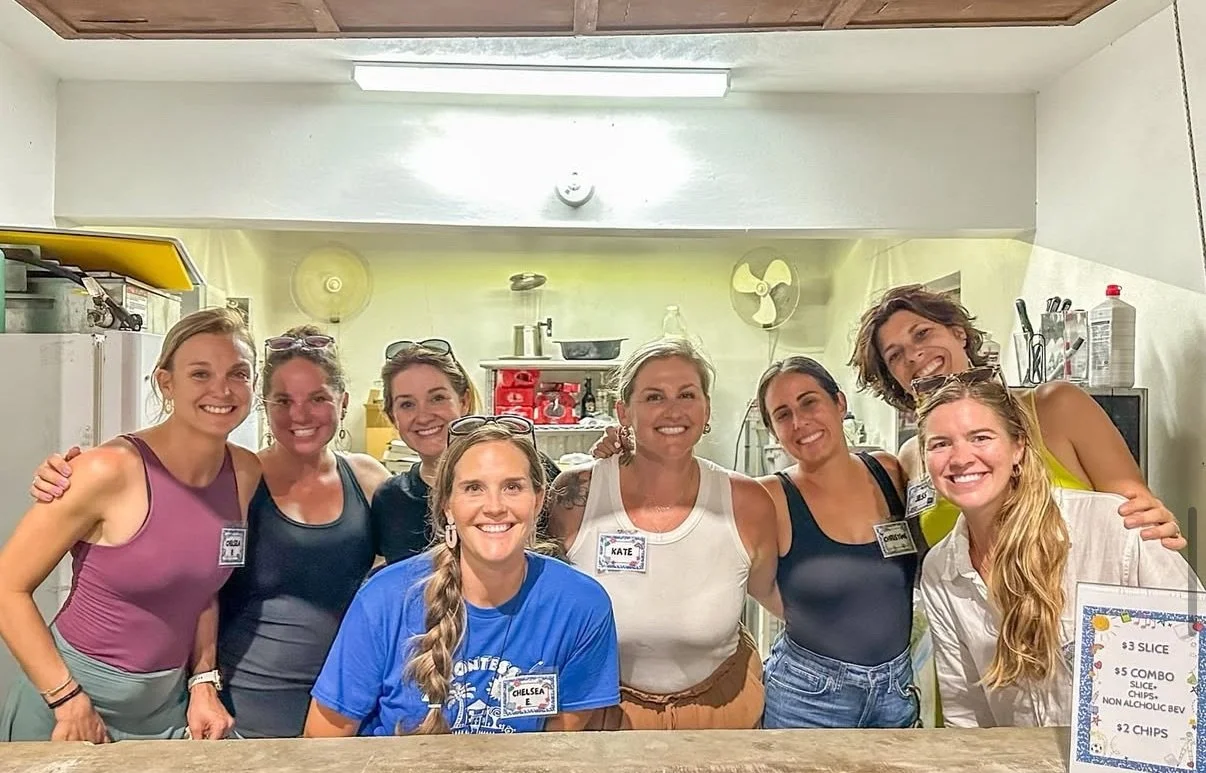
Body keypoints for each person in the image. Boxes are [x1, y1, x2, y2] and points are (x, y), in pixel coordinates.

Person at [28, 326, 391, 739]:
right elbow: (201, 583)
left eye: (319, 398)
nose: (300, 415)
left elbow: (408, 577)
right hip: (232, 701)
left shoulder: (359, 479)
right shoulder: (240, 476)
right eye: (283, 400)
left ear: (343, 402)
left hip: (333, 702)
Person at [0, 308, 262, 742]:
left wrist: (202, 683)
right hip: (72, 702)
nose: (222, 389)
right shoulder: (107, 471)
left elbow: (202, 588)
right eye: (200, 373)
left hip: (165, 705)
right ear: (166, 382)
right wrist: (67, 701)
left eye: (239, 373)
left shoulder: (245, 474)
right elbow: (7, 588)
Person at [914, 371, 1201, 727]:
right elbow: (967, 714)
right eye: (940, 444)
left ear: (1018, 446)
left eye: (981, 437)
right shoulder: (941, 570)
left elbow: (1194, 656)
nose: (960, 458)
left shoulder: (1115, 528)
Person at [304, 418, 619, 736]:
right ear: (447, 506)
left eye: (512, 487)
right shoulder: (385, 599)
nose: (494, 507)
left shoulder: (581, 606)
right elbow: (324, 741)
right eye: (473, 488)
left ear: (538, 500)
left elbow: (561, 749)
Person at [548, 337, 779, 730]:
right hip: (605, 715)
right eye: (654, 397)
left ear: (706, 408)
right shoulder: (575, 497)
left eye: (687, 394)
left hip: (723, 713)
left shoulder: (747, 502)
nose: (673, 410)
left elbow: (775, 595)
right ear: (624, 412)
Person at [849, 283, 1184, 551]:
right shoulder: (914, 457)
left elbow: (1137, 512)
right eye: (895, 355)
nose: (914, 354)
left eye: (922, 334)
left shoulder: (1058, 407)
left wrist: (1154, 522)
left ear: (958, 334)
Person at [755, 357, 920, 729]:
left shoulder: (888, 471)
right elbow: (760, 586)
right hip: (808, 698)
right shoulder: (770, 497)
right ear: (773, 430)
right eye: (782, 414)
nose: (799, 422)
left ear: (839, 403)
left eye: (809, 402)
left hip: (896, 692)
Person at [370, 339, 562, 565]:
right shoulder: (392, 500)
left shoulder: (530, 472)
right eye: (407, 404)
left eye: (437, 398)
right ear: (393, 416)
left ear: (464, 401)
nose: (423, 416)